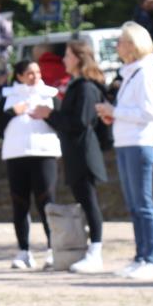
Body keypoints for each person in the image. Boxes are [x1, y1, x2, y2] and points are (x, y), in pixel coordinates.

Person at [95, 22, 153, 280]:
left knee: (143, 204)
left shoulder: (145, 73)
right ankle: (141, 256)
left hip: (140, 143)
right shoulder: (131, 73)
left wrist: (116, 112)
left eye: (122, 41)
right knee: (134, 205)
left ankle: (152, 259)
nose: (117, 46)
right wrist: (115, 116)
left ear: (134, 45)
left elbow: (150, 113)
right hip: (126, 142)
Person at [32, 41, 107, 272]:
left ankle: (96, 251)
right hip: (75, 152)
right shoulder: (78, 85)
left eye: (67, 55)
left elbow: (78, 123)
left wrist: (49, 114)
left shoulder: (85, 87)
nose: (63, 60)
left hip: (84, 153)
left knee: (89, 200)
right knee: (83, 199)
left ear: (77, 58)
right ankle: (89, 249)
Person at [0, 59, 60, 269]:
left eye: (38, 72)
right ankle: (23, 251)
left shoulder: (50, 94)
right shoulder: (8, 97)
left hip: (44, 153)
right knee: (20, 203)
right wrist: (12, 112)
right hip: (16, 155)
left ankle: (53, 249)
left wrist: (47, 114)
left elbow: (63, 121)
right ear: (20, 76)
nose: (35, 76)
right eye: (30, 73)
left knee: (47, 201)